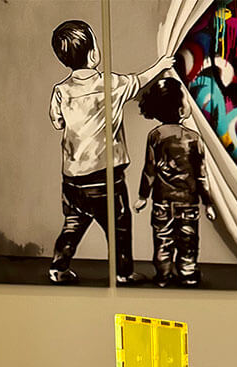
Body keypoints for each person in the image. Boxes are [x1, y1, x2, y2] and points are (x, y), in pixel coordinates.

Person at [48, 21, 172, 285]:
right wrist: (161, 66)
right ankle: (123, 273)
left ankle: (58, 268)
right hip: (106, 178)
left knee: (73, 223)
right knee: (119, 226)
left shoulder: (61, 91)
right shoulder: (111, 85)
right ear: (94, 54)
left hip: (72, 178)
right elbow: (140, 81)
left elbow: (57, 122)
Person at [135, 76, 216, 287]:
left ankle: (163, 275)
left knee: (162, 242)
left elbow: (149, 170)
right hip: (188, 204)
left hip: (162, 203)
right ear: (181, 109)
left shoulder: (155, 136)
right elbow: (201, 175)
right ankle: (188, 274)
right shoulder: (194, 139)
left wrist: (143, 196)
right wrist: (208, 203)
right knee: (188, 242)